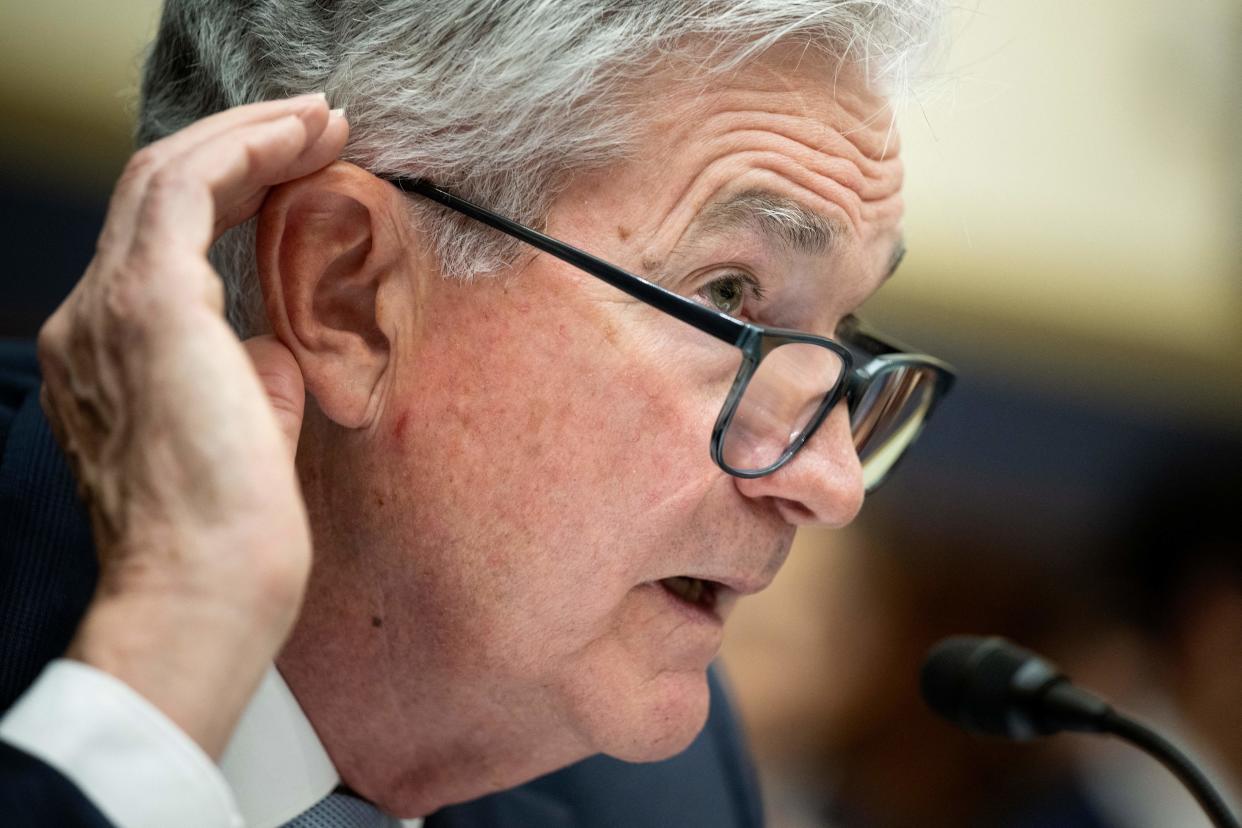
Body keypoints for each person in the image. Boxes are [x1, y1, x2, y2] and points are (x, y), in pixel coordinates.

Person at [0, 1, 951, 825]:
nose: (831, 483)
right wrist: (157, 674)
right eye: (729, 299)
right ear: (349, 297)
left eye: (844, 337)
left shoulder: (661, 796)